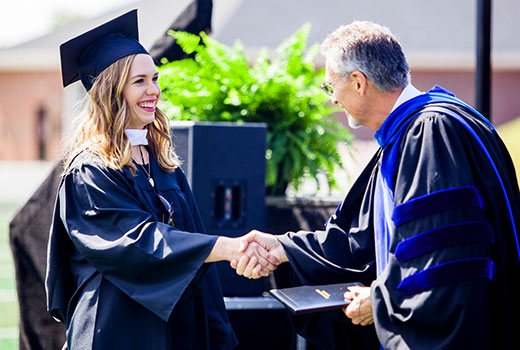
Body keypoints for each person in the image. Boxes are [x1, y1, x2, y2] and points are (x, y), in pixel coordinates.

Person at [232, 21, 520, 349]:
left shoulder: (431, 133)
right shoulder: (410, 133)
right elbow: (362, 241)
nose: (333, 101)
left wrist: (383, 301)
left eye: (331, 87)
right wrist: (284, 248)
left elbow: (444, 259)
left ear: (358, 82)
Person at [45, 10, 277, 349]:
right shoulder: (90, 171)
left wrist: (218, 332)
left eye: (155, 79)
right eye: (139, 81)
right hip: (114, 329)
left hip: (171, 330)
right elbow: (138, 243)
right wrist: (228, 247)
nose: (153, 90)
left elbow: (193, 246)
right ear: (111, 91)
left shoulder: (162, 162)